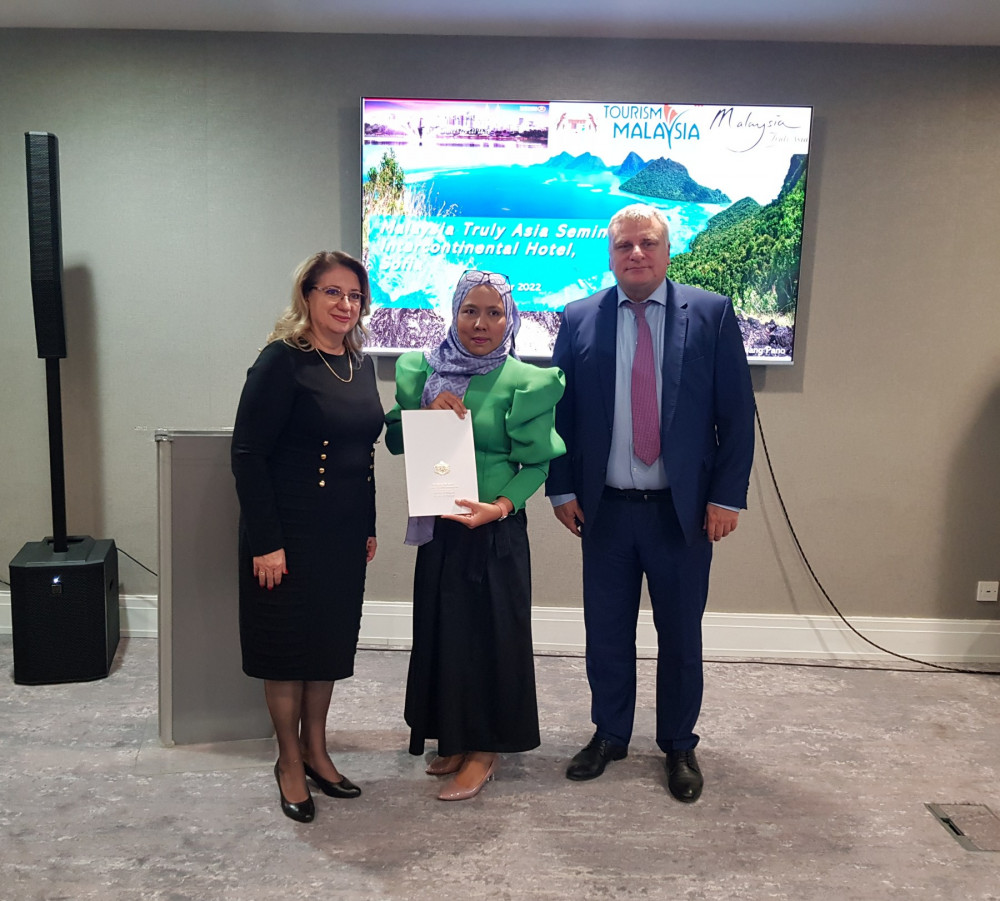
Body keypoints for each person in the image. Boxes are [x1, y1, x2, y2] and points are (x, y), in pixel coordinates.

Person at [546, 204, 755, 803]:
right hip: (604, 511)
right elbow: (559, 413)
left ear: (667, 251)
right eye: (624, 246)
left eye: (648, 243)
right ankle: (609, 734)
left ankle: (679, 744)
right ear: (610, 256)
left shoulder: (711, 313)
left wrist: (725, 497)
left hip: (681, 514)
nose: (636, 254)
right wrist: (561, 488)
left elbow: (736, 415)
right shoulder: (579, 317)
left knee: (681, 635)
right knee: (606, 632)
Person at [385, 270, 565, 801]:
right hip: (440, 531)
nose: (480, 323)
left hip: (494, 533)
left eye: (493, 313)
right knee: (445, 635)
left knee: (491, 641)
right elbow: (395, 439)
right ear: (454, 313)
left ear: (510, 319)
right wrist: (424, 411)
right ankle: (455, 737)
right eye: (470, 311)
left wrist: (500, 508)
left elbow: (539, 464)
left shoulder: (525, 381)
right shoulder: (423, 371)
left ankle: (485, 751)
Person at [231, 251, 384, 823]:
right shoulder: (281, 361)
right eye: (333, 293)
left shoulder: (360, 363)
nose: (346, 305)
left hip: (342, 533)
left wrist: (367, 525)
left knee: (326, 648)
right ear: (307, 296)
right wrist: (265, 542)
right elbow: (248, 454)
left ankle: (318, 752)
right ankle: (289, 761)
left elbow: (362, 455)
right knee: (287, 650)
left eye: (355, 296)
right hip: (288, 532)